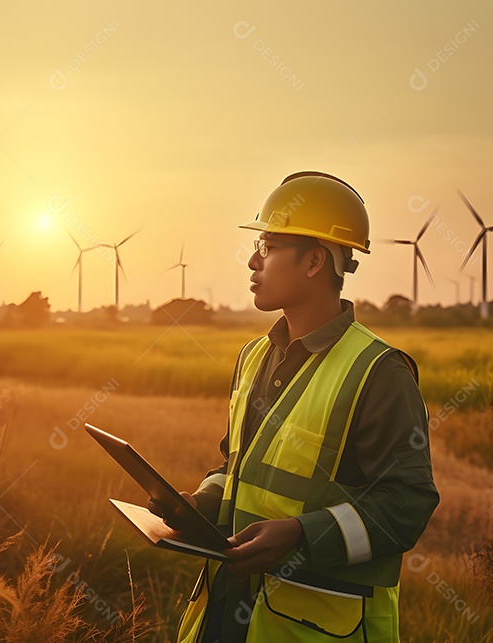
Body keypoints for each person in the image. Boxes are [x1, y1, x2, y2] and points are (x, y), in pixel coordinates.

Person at [154, 171, 439, 642]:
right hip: (227, 613)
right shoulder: (252, 357)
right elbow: (238, 466)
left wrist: (302, 536)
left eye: (266, 247)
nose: (251, 261)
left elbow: (406, 504)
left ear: (313, 261)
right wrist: (199, 504)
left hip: (313, 629)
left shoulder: (380, 372)